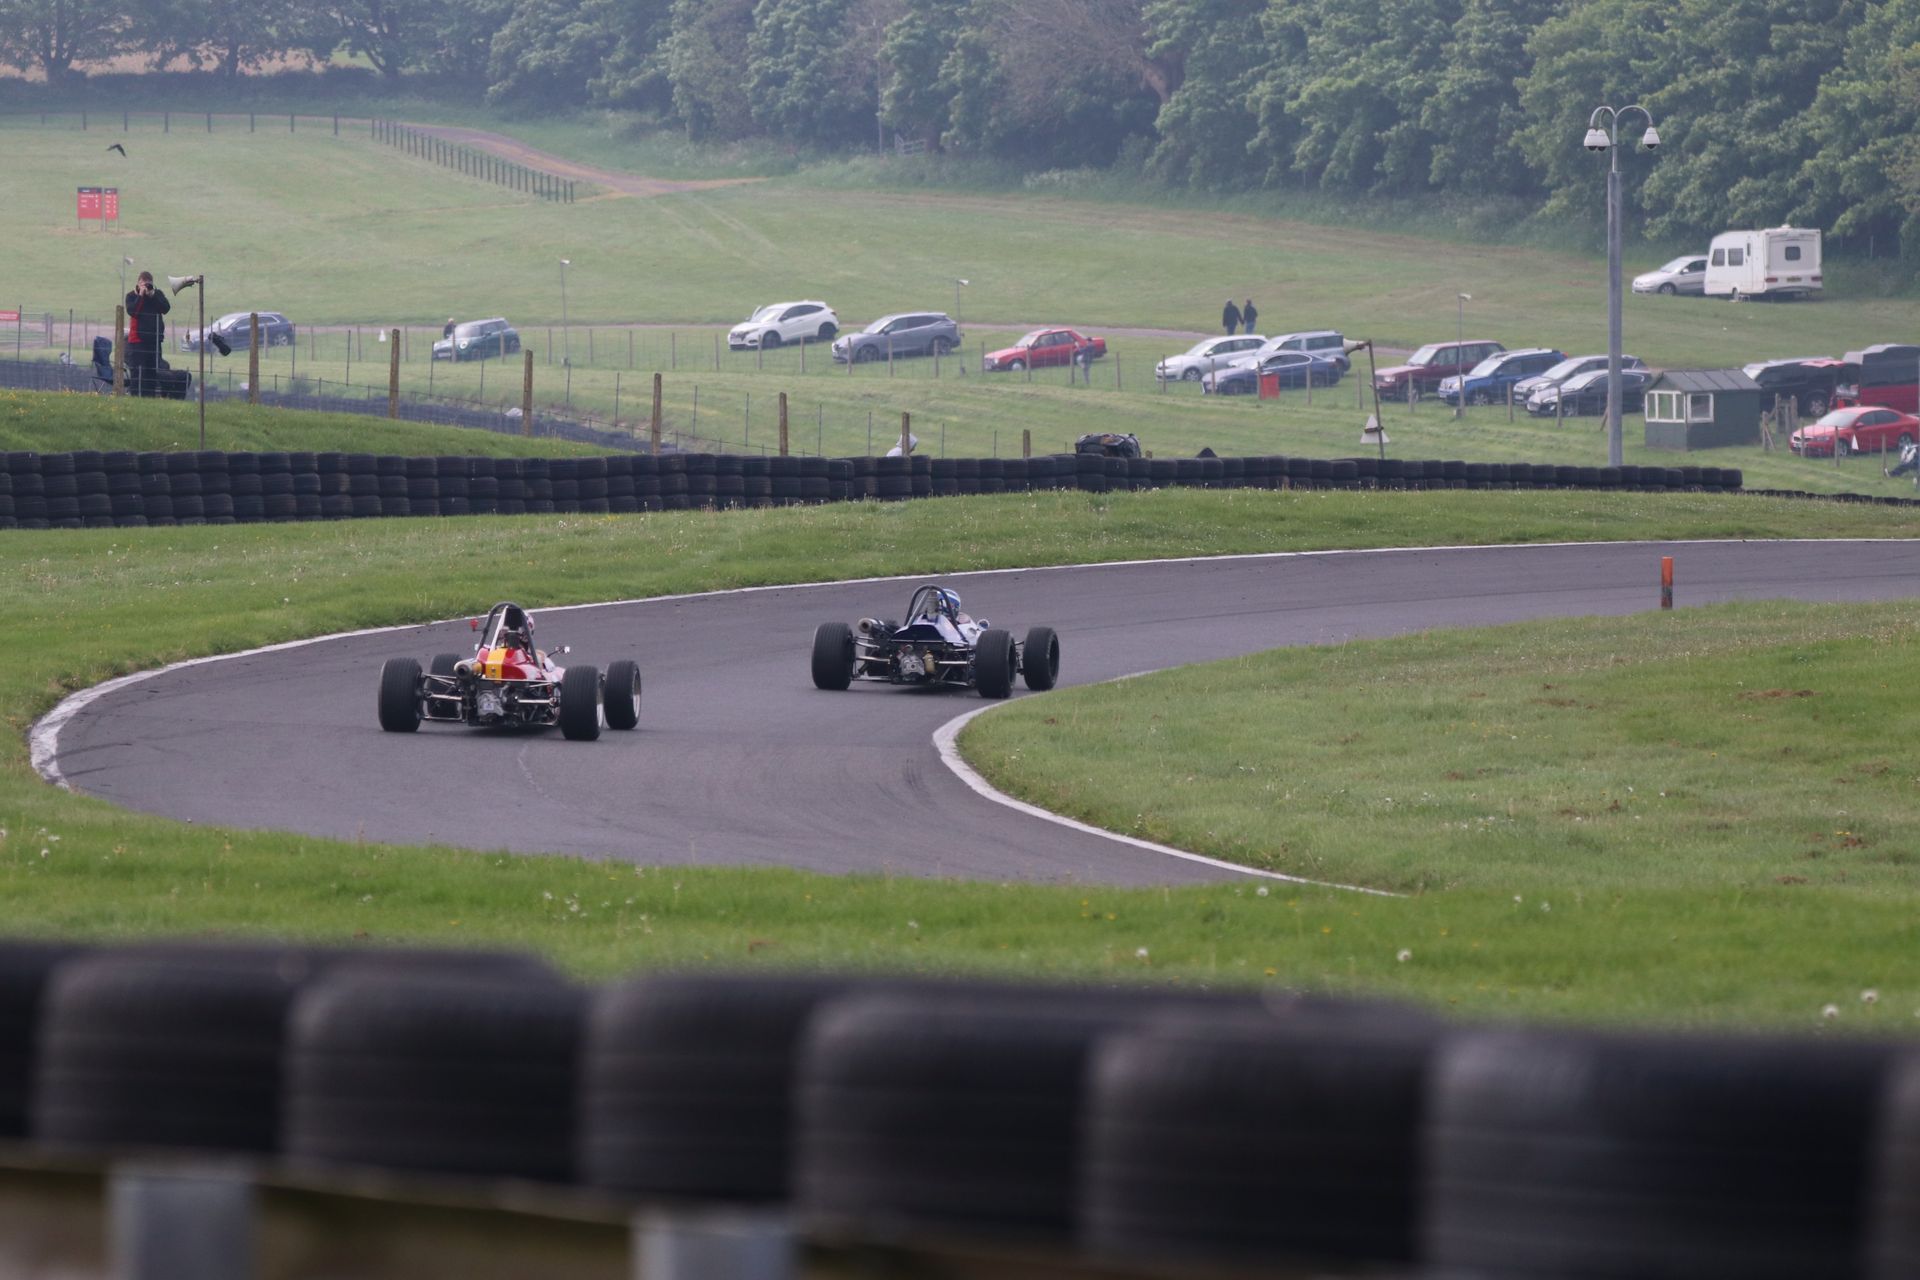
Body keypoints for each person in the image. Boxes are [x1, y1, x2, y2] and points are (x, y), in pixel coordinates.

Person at [124, 270, 170, 396]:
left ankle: (149, 398)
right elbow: (133, 311)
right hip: (138, 341)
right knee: (137, 372)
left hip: (154, 340)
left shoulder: (157, 294)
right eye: (143, 284)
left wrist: (152, 295)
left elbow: (165, 308)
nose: (146, 287)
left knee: (152, 371)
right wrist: (141, 296)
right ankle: (134, 395)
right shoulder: (131, 296)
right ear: (138, 284)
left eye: (148, 284)